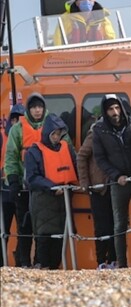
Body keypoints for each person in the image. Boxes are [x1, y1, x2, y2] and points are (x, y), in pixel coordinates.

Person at [91, 94, 131, 268]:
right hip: (118, 181)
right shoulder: (99, 130)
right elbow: (100, 158)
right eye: (111, 109)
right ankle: (122, 264)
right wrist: (116, 175)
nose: (115, 112)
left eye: (117, 108)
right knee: (119, 224)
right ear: (105, 112)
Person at [4, 94, 54, 267]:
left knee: (43, 227)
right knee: (24, 227)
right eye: (33, 107)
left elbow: (65, 148)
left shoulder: (52, 126)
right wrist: (13, 181)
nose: (37, 110)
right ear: (28, 109)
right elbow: (10, 157)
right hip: (24, 187)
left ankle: (41, 261)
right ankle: (23, 262)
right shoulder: (17, 130)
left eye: (40, 106)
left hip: (46, 186)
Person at [24, 114, 78, 269]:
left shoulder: (66, 148)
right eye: (53, 133)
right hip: (43, 202)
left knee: (59, 242)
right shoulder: (34, 152)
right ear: (47, 133)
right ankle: (42, 269)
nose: (56, 136)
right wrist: (51, 187)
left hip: (63, 202)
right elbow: (32, 178)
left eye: (58, 133)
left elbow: (75, 165)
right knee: (44, 240)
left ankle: (52, 271)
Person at [77, 122, 117, 269]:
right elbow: (81, 155)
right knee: (101, 227)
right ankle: (101, 261)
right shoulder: (94, 132)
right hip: (98, 188)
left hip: (113, 185)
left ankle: (114, 259)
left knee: (115, 225)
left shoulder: (115, 131)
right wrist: (85, 182)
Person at [1, 103, 25, 260]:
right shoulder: (2, 137)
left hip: (20, 187)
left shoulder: (28, 137)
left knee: (24, 230)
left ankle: (21, 260)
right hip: (4, 189)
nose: (17, 123)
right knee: (3, 230)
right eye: (15, 119)